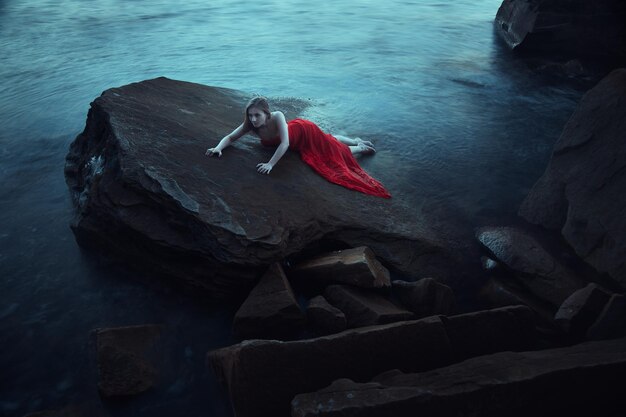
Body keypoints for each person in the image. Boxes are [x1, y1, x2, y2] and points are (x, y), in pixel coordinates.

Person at [205, 97, 391, 198]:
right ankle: (354, 139)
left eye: (257, 115)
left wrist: (270, 164)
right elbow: (231, 137)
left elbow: (285, 143)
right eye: (250, 115)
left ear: (266, 113)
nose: (253, 119)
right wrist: (218, 148)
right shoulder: (250, 124)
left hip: (303, 131)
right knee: (329, 140)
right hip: (297, 135)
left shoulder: (277, 116)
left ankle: (359, 146)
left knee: (332, 152)